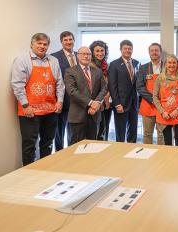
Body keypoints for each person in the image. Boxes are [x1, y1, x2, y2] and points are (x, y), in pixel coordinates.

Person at [11, 33, 64, 165]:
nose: (42, 46)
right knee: (29, 144)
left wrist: (60, 101)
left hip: (51, 110)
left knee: (47, 142)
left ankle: (45, 168)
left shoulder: (53, 60)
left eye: (45, 44)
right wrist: (25, 105)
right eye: (39, 43)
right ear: (32, 44)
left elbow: (59, 83)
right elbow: (17, 85)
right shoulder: (22, 60)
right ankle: (29, 172)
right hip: (30, 111)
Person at [64, 47, 107, 144]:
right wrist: (91, 103)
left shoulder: (97, 71)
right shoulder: (70, 71)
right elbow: (72, 91)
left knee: (92, 145)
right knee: (76, 146)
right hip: (78, 115)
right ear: (77, 56)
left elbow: (104, 88)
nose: (86, 56)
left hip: (94, 114)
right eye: (83, 54)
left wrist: (97, 103)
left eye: (88, 54)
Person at [153, 55, 178, 146]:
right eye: (169, 62)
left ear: (177, 64)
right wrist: (162, 112)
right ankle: (169, 160)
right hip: (165, 114)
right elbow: (155, 97)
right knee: (167, 141)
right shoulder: (160, 79)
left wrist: (177, 110)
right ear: (165, 64)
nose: (172, 65)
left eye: (174, 63)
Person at [108, 40, 139, 143]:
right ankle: (120, 153)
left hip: (134, 104)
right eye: (125, 48)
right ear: (120, 50)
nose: (127, 50)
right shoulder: (114, 64)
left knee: (133, 131)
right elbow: (112, 86)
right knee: (120, 133)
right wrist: (117, 104)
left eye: (130, 49)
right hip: (121, 104)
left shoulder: (136, 63)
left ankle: (132, 151)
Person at [51, 31, 77, 151]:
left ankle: (73, 152)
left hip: (78, 100)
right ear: (61, 42)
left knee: (74, 130)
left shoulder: (79, 55)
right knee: (59, 131)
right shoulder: (54, 57)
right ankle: (59, 154)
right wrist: (58, 100)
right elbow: (54, 80)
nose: (68, 42)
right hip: (63, 99)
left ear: (74, 41)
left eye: (70, 39)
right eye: (65, 40)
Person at [136, 43, 165, 145]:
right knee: (147, 134)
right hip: (148, 105)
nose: (154, 53)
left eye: (156, 50)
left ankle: (163, 155)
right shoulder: (143, 67)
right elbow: (139, 87)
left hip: (163, 106)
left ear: (160, 52)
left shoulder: (167, 66)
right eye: (152, 51)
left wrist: (160, 101)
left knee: (162, 134)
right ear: (149, 53)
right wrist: (153, 100)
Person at [89, 40, 112, 141]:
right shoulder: (90, 66)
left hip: (107, 101)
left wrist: (107, 95)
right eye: (97, 51)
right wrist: (101, 100)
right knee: (96, 130)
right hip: (96, 102)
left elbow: (109, 83)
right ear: (92, 52)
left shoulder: (105, 64)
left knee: (104, 128)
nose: (100, 53)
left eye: (102, 50)